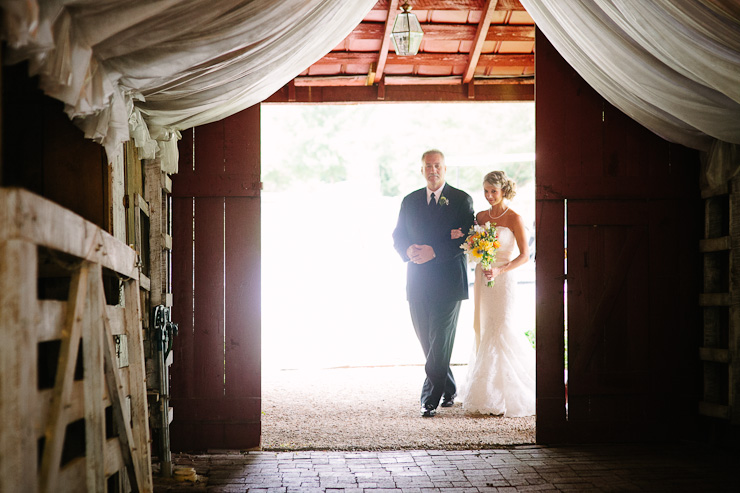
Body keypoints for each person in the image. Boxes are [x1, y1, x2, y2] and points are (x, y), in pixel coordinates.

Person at [392, 149, 475, 417]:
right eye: (428, 166)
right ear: (422, 170)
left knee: (439, 340)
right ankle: (449, 388)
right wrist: (407, 251)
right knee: (428, 340)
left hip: (449, 283)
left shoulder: (461, 199)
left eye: (437, 165)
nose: (433, 170)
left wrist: (434, 251)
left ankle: (430, 398)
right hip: (417, 281)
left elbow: (465, 240)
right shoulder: (410, 200)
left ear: (445, 168)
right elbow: (398, 235)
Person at [459, 170, 536, 417]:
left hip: (504, 278)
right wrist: (476, 253)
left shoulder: (514, 217)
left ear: (503, 191)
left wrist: (500, 270)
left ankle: (508, 393)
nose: (489, 196)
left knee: (501, 326)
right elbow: (473, 246)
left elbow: (525, 255)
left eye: (494, 191)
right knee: (483, 326)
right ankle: (484, 390)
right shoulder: (480, 216)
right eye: (486, 191)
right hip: (483, 277)